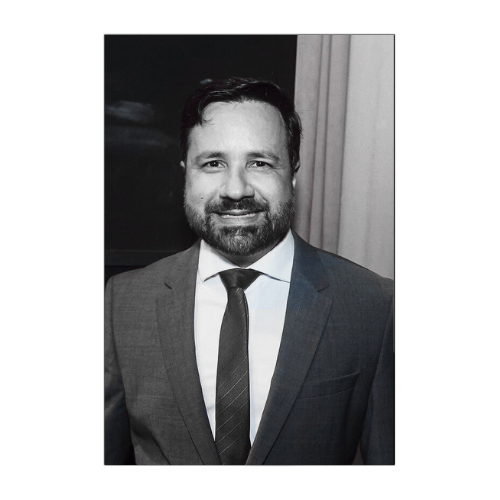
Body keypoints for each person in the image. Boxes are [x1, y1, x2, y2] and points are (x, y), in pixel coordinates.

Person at [105, 77, 394, 465]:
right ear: (186, 173)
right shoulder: (123, 303)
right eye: (213, 164)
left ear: (293, 173)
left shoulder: (372, 304)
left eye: (259, 163)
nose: (236, 189)